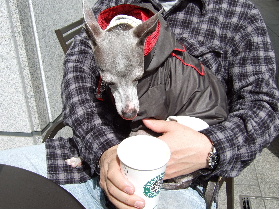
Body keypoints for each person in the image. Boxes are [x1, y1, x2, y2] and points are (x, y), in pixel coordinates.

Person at [0, 0, 278, 209]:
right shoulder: (112, 5)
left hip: (172, 180)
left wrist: (211, 148)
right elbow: (76, 76)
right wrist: (104, 150)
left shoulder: (238, 13)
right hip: (92, 156)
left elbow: (265, 107)